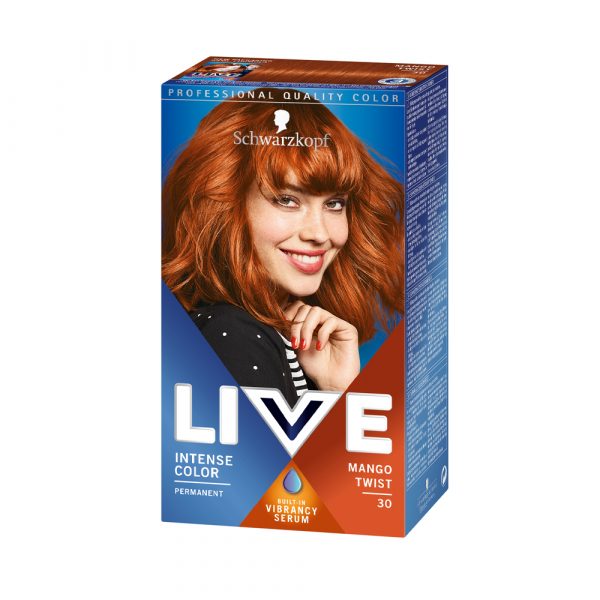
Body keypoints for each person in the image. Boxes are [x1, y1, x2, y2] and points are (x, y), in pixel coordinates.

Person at [162, 88, 404, 407]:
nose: (319, 233)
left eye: (334, 203)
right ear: (223, 206)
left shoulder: (277, 331)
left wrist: (336, 388)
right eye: (287, 200)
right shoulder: (234, 333)